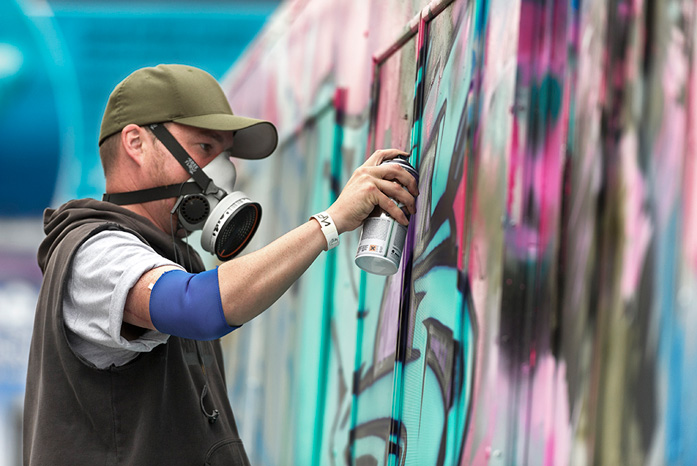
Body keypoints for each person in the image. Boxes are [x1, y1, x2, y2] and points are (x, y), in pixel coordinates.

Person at [23, 64, 418, 465]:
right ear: (136, 143)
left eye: (225, 153)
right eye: (205, 149)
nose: (223, 172)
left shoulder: (177, 258)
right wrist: (329, 223)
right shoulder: (93, 251)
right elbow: (195, 307)